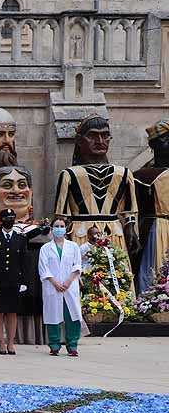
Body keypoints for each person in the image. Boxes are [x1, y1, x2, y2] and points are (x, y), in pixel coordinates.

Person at [55, 115, 139, 255]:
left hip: (114, 234)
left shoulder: (123, 173)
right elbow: (61, 215)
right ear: (80, 141)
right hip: (81, 234)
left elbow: (129, 210)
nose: (100, 141)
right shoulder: (69, 174)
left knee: (117, 273)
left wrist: (131, 230)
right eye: (92, 136)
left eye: (105, 135)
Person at [0, 208, 29, 355]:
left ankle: (11, 343)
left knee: (12, 312)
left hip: (14, 280)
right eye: (6, 218)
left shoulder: (20, 239)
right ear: (1, 220)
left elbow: (24, 262)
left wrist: (24, 281)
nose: (9, 220)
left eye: (12, 217)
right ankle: (1, 342)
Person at [39, 217, 83, 357]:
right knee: (53, 316)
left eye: (62, 226)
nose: (59, 228)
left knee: (72, 315)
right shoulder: (46, 248)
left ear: (66, 228)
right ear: (52, 229)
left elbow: (77, 266)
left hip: (70, 286)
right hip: (52, 287)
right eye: (56, 226)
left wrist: (69, 281)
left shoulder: (73, 246)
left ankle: (72, 345)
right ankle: (54, 345)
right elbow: (43, 268)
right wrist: (55, 283)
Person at [136, 119, 169, 292]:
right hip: (153, 231)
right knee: (152, 272)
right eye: (166, 138)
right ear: (154, 144)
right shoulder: (140, 176)